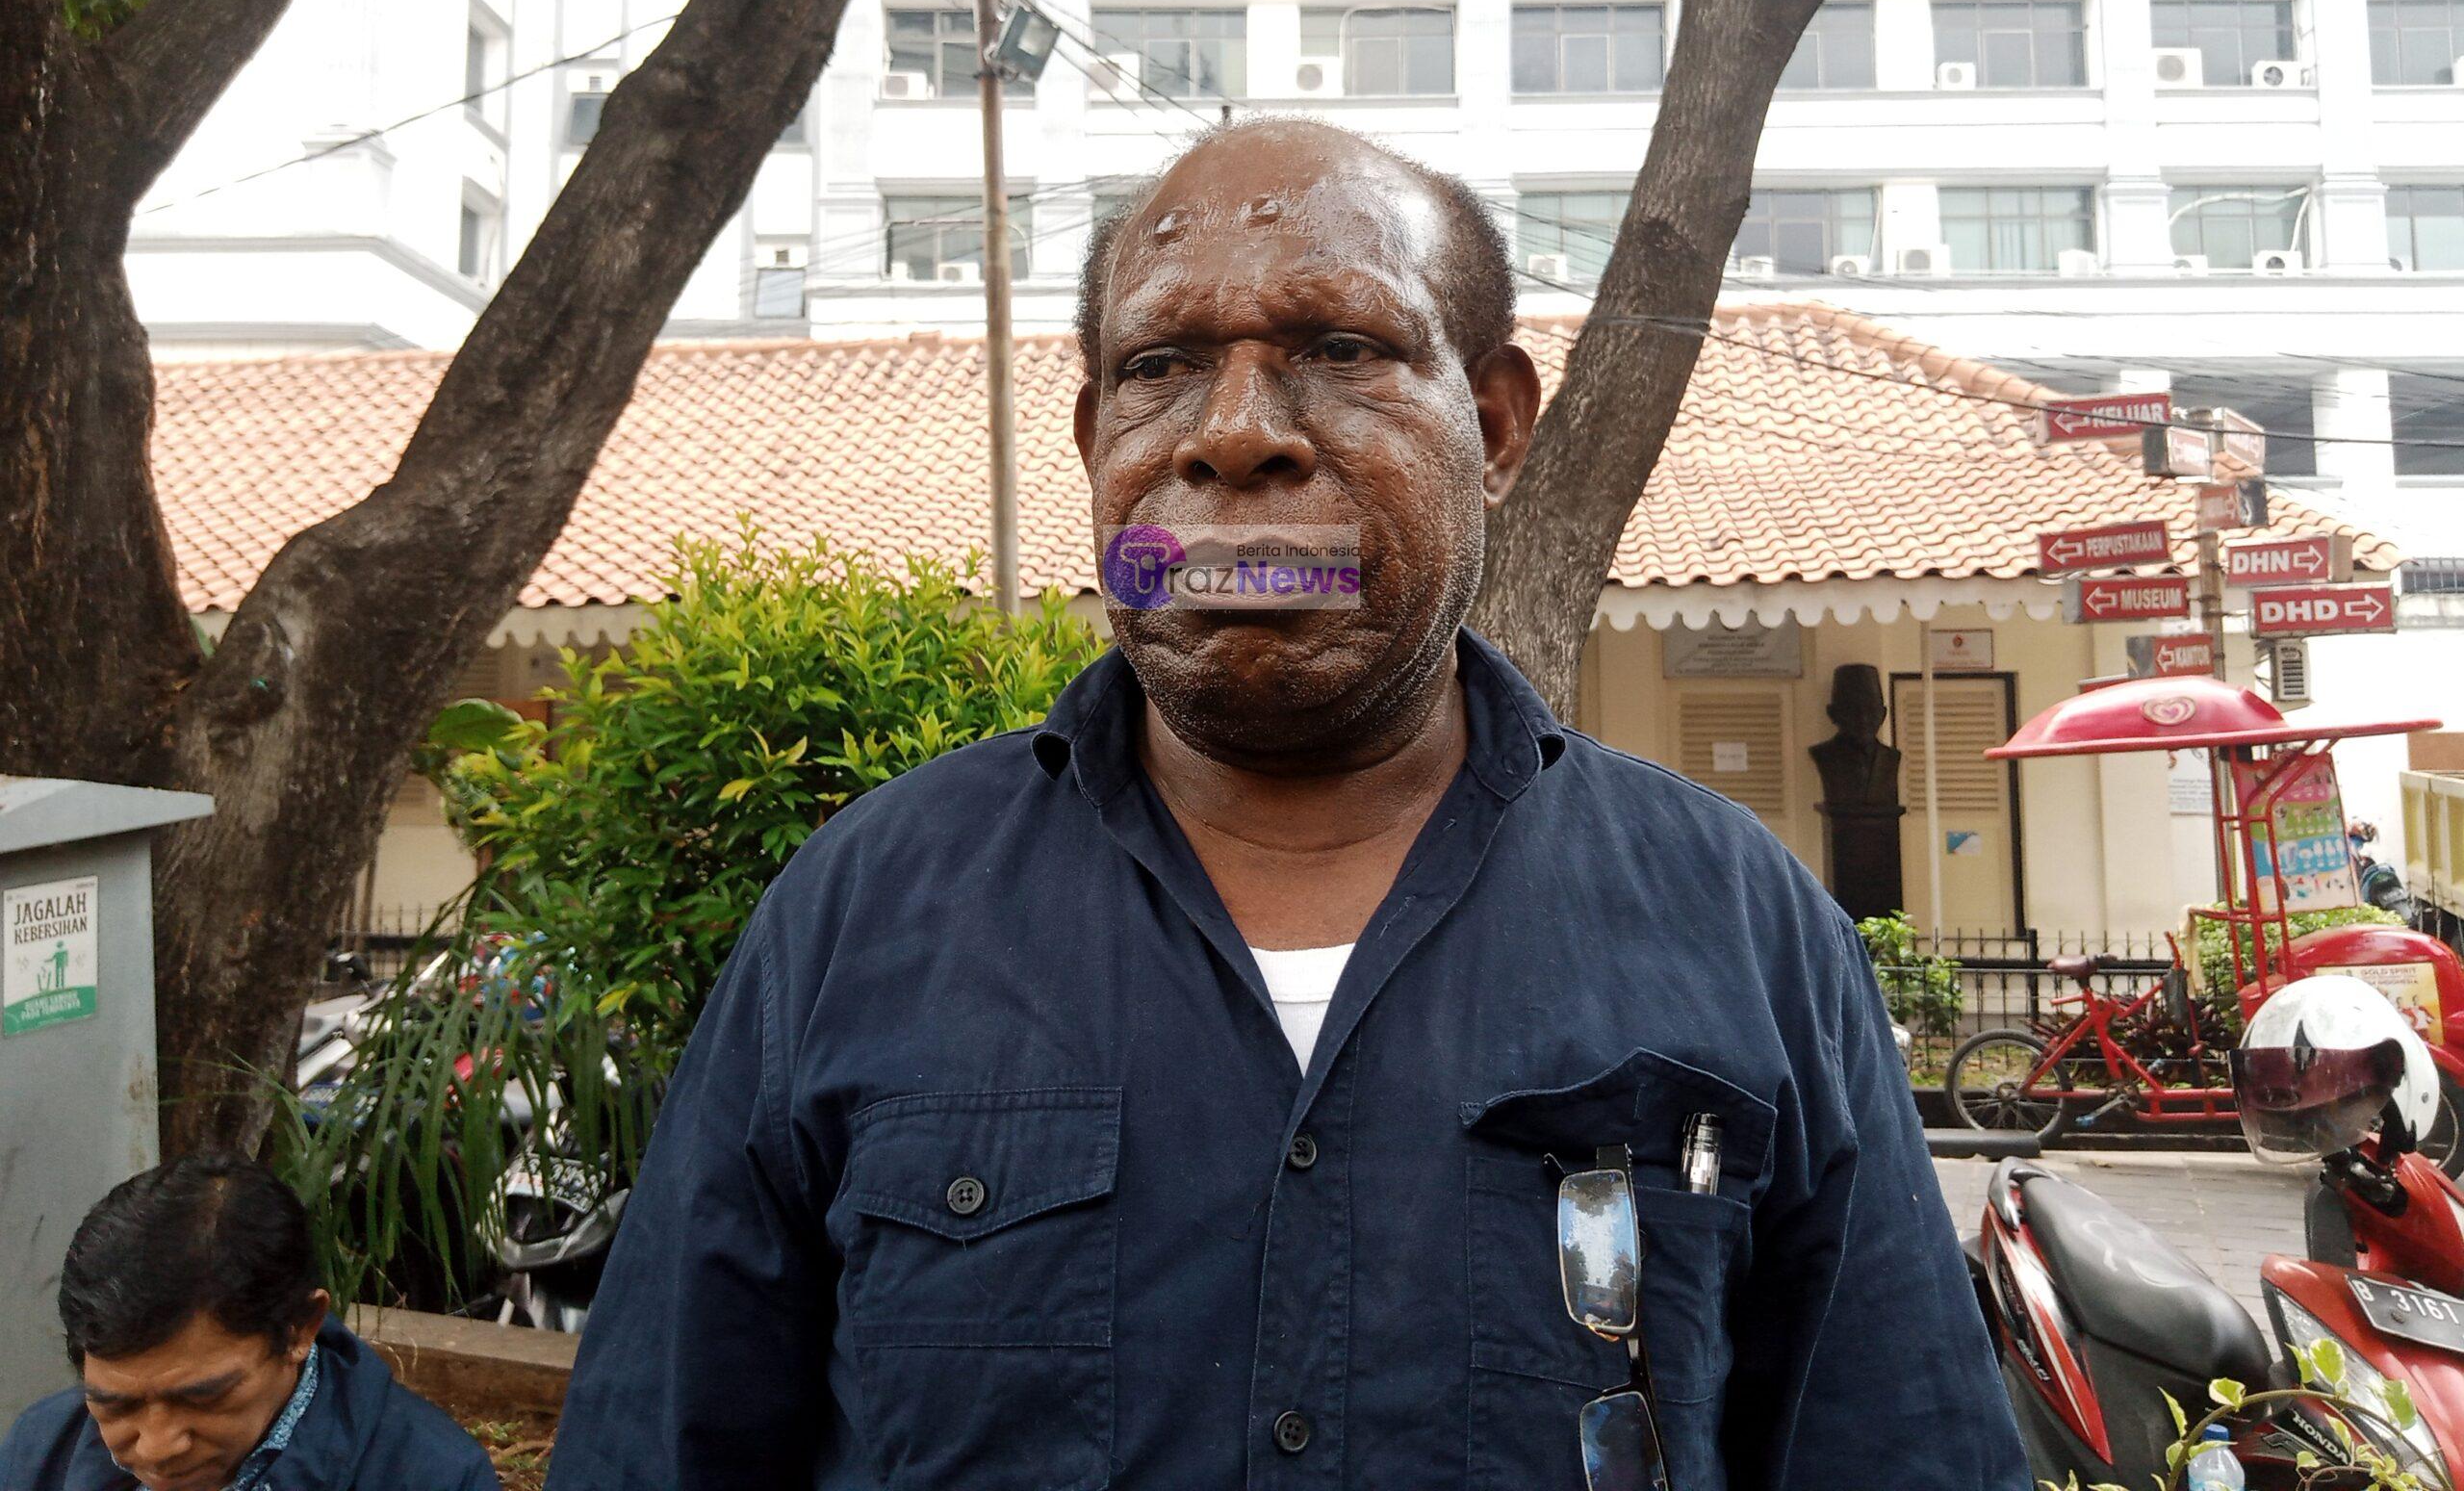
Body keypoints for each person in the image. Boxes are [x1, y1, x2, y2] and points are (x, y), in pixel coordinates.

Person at [548, 117, 2028, 1488]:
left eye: (1340, 345)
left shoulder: (1739, 928)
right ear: (1094, 446)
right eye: (1160, 366)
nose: (1237, 432)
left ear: (1500, 425)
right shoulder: (859, 916)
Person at [1, 1156, 499, 1491]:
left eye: (203, 1397)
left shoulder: (433, 1476)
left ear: (299, 1328)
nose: (156, 1449)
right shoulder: (41, 1450)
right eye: (115, 1406)